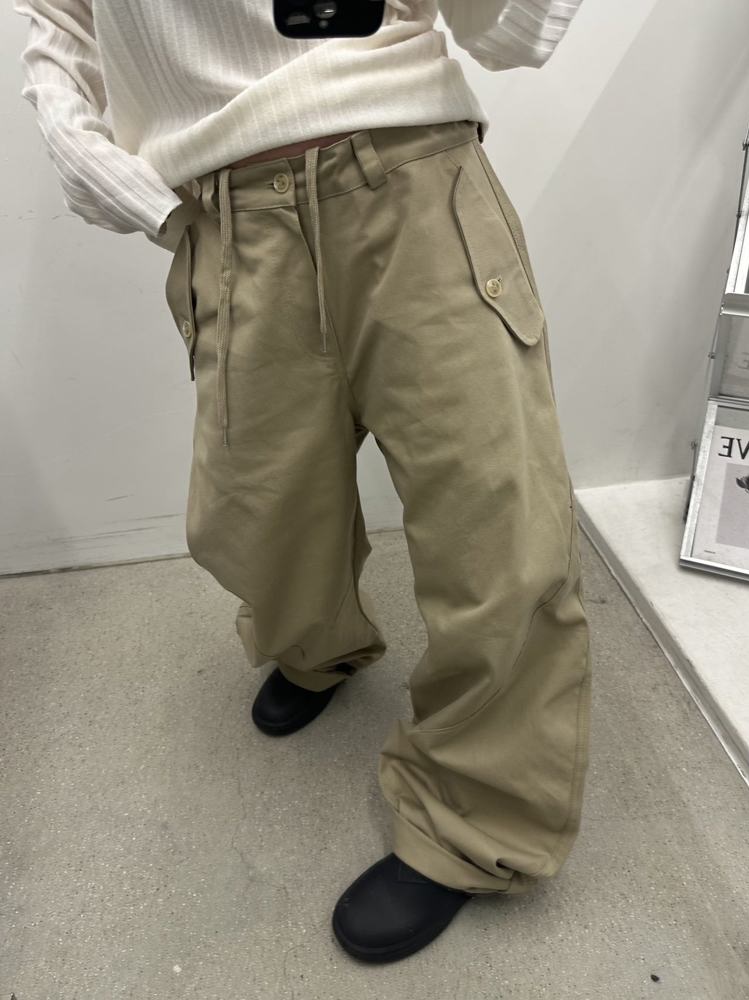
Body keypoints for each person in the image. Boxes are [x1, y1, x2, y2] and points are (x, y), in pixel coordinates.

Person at [14, 0, 591, 965]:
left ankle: (472, 824)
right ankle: (317, 646)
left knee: (498, 527)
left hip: (409, 170)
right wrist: (125, 185)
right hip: (229, 215)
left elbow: (512, 32)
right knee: (256, 516)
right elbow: (57, 29)